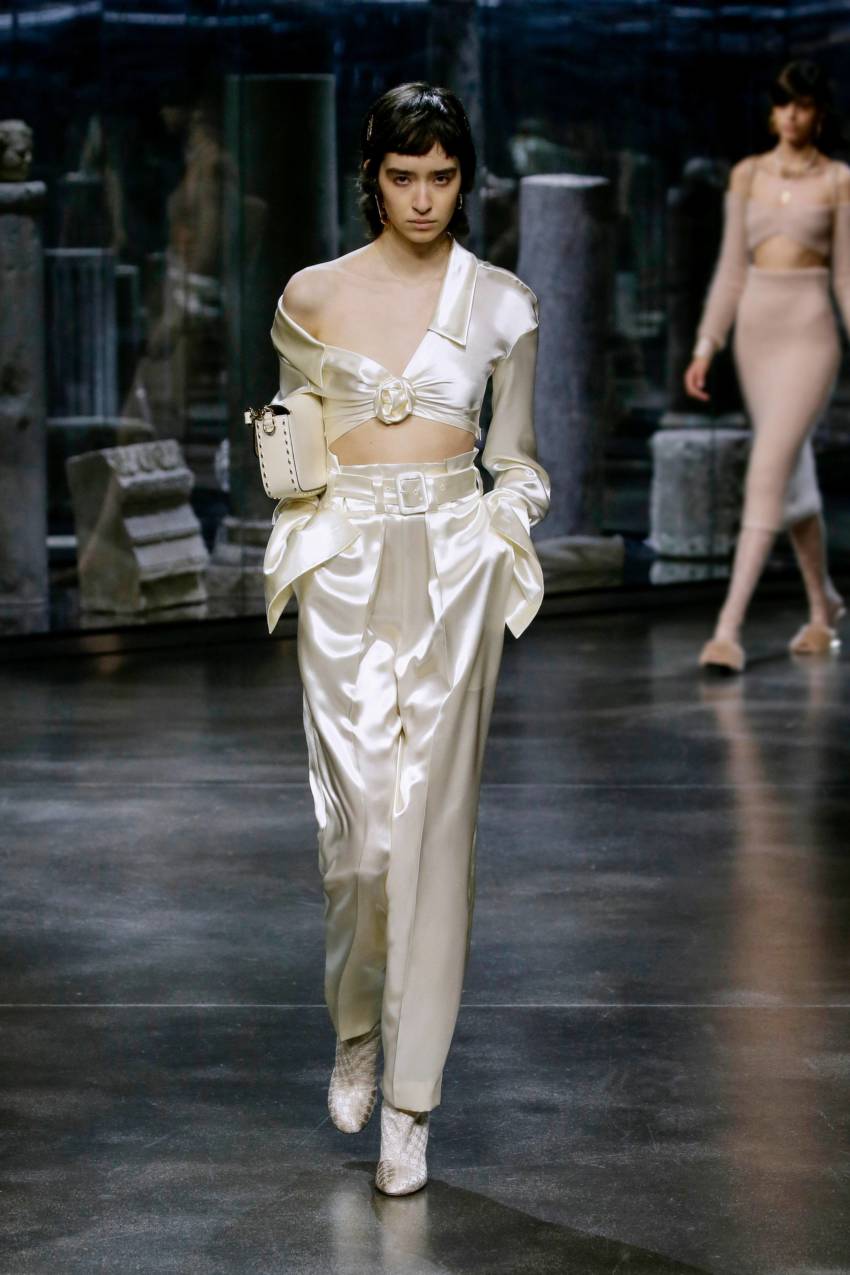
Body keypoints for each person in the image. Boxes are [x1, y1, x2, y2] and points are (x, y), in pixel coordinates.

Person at [262, 83, 550, 1194]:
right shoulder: (313, 295)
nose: (423, 198)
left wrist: (498, 528)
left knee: (434, 834)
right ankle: (355, 1029)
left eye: (441, 176)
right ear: (371, 178)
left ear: (463, 179)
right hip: (343, 561)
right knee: (361, 843)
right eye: (401, 176)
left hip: (454, 563)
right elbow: (289, 441)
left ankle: (412, 1102)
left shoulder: (502, 303)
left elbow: (517, 459)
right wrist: (302, 522)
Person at [684, 60, 847, 672]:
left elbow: (847, 277)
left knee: (768, 468)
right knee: (791, 472)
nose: (791, 116)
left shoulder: (838, 179)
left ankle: (728, 629)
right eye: (783, 105)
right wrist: (707, 344)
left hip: (811, 332)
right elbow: (731, 269)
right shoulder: (747, 174)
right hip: (756, 333)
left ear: (818, 114)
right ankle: (823, 607)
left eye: (802, 106)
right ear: (772, 113)